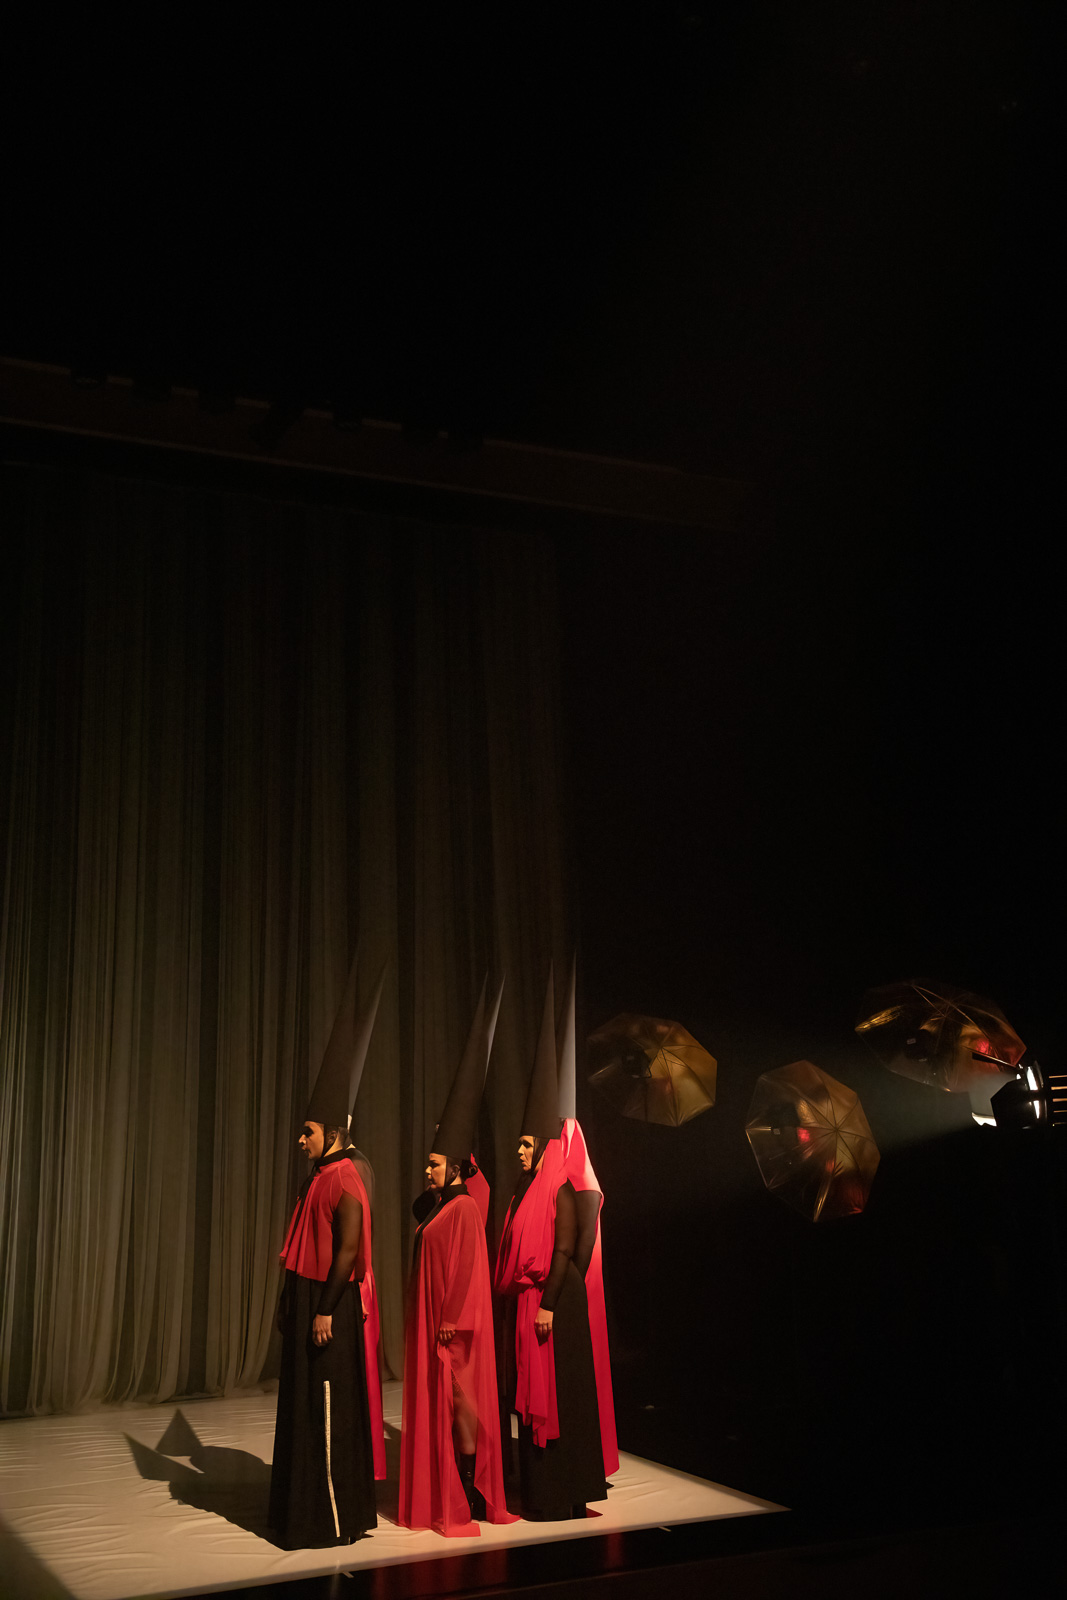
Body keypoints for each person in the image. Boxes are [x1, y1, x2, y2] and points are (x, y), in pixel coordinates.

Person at [398, 978, 516, 1536]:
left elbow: (469, 1268)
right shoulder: (443, 1204)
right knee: (449, 1404)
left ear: (456, 1165)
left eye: (434, 1163)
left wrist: (449, 1319)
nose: (427, 1168)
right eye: (428, 1161)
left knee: (462, 1402)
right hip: (436, 1321)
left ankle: (468, 1487)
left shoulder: (466, 1205)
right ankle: (456, 1484)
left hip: (455, 1326)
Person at [269, 955, 379, 1549]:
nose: (301, 1139)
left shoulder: (346, 1177)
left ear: (332, 1133)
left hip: (330, 1305)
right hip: (309, 1299)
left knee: (328, 1410)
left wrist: (323, 1310)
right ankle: (301, 1510)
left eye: (308, 1131)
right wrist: (289, 1304)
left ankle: (335, 1517)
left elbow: (348, 1251)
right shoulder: (318, 1176)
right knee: (303, 1410)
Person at [495, 969, 608, 1519]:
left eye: (525, 1144)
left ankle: (563, 1492)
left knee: (560, 1397)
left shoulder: (560, 1188)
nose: (518, 1152)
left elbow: (564, 1250)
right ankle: (540, 1491)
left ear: (542, 1144)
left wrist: (546, 1306)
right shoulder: (525, 1188)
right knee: (531, 1397)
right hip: (533, 1305)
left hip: (554, 1306)